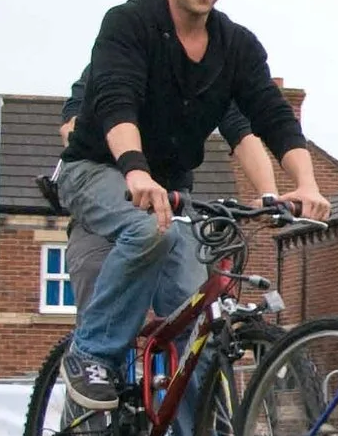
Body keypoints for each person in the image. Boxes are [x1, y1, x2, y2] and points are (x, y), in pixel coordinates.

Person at [55, 0, 330, 436]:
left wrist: (302, 184)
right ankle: (91, 366)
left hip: (171, 193)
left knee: (197, 329)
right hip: (98, 172)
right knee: (141, 232)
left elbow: (268, 118)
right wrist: (134, 169)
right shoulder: (129, 25)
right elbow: (114, 102)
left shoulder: (232, 46)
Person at [55, 51, 277, 310]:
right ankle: (92, 350)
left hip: (172, 202)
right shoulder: (115, 61)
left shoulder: (206, 78)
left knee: (191, 307)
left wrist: (269, 194)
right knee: (103, 310)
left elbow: (242, 134)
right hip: (109, 197)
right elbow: (71, 127)